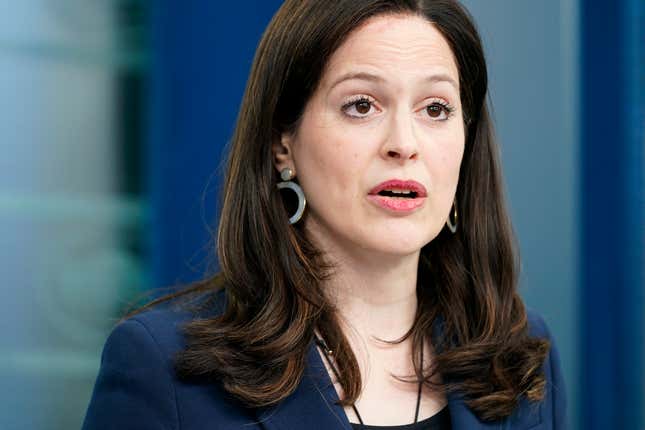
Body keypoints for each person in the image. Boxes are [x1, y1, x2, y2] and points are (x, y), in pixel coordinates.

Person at [82, 0, 567, 429]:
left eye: (436, 109)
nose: (404, 144)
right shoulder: (164, 366)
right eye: (362, 105)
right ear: (282, 144)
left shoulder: (520, 357)